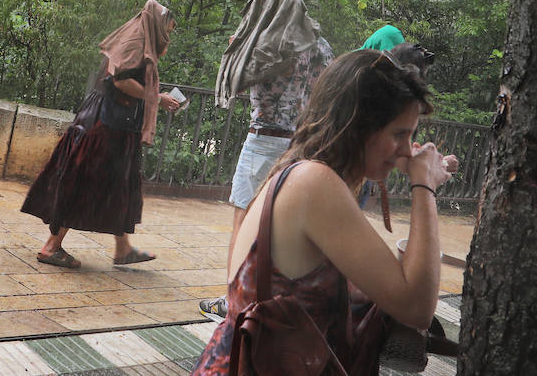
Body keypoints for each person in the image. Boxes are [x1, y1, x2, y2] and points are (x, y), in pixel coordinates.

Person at [190, 49, 459, 375]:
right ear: (359, 126)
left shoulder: (301, 172)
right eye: (399, 134)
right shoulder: (314, 184)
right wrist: (424, 185)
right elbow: (417, 307)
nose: (406, 149)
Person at [199, 0, 334, 320]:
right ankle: (272, 300)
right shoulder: (319, 47)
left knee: (244, 222)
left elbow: (234, 76)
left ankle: (233, 302)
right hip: (299, 147)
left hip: (262, 143)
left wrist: (235, 49)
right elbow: (327, 90)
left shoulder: (263, 46)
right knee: (282, 228)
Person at [21, 0, 182, 269]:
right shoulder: (135, 40)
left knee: (120, 186)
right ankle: (51, 246)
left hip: (117, 124)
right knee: (86, 182)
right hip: (107, 126)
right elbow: (120, 81)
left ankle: (123, 249)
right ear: (157, 23)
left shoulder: (139, 38)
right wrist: (157, 97)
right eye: (169, 28)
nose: (170, 34)